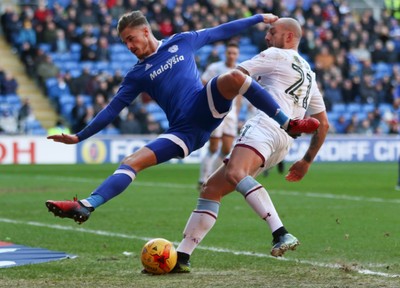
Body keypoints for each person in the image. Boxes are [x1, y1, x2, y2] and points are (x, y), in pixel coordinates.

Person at [45, 11, 319, 245]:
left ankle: (289, 123)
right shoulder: (136, 75)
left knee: (234, 77)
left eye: (131, 39)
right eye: (124, 42)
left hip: (205, 106)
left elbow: (221, 31)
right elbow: (113, 109)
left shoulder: (182, 42)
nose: (129, 46)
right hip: (184, 133)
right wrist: (80, 136)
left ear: (145, 31)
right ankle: (87, 204)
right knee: (131, 162)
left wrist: (258, 18)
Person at [173, 17, 329, 273]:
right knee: (211, 189)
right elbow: (323, 124)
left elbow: (236, 76)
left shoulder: (276, 54)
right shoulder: (309, 73)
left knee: (236, 173)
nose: (267, 37)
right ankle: (181, 257)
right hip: (284, 142)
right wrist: (306, 161)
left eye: (272, 32)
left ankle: (280, 232)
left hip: (265, 127)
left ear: (289, 37)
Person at [198, 41, 243, 188]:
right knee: (213, 147)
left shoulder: (240, 69)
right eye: (229, 52)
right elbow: (202, 84)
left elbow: (241, 93)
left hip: (231, 115)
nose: (231, 55)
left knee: (226, 149)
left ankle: (212, 175)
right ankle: (203, 178)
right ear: (225, 53)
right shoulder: (215, 68)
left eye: (234, 53)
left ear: (238, 55)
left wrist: (236, 111)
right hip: (215, 112)